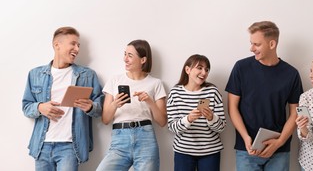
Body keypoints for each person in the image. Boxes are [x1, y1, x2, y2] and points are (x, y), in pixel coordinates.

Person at [22, 26, 104, 171]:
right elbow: (26, 107)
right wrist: (40, 107)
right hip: (42, 146)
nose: (77, 49)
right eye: (73, 43)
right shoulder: (35, 74)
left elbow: (100, 108)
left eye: (78, 45)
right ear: (57, 45)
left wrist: (91, 107)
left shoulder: (87, 75)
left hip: (70, 146)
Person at [225, 21, 303, 170]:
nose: (251, 48)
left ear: (272, 44)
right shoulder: (241, 68)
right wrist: (246, 137)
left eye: (257, 44)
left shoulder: (291, 74)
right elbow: (232, 108)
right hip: (246, 150)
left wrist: (279, 142)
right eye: (251, 43)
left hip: (279, 151)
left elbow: (296, 112)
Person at [97, 39, 167, 171]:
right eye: (125, 54)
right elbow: (105, 119)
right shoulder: (115, 80)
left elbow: (162, 121)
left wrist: (149, 101)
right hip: (119, 139)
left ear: (143, 60)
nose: (125, 59)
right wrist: (115, 104)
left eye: (130, 55)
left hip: (146, 138)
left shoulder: (155, 83)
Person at [167, 54, 227, 171]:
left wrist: (211, 118)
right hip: (183, 151)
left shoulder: (213, 92)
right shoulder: (175, 93)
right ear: (187, 69)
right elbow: (172, 127)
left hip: (210, 151)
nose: (204, 72)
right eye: (199, 68)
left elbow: (222, 127)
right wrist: (188, 119)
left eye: (206, 69)